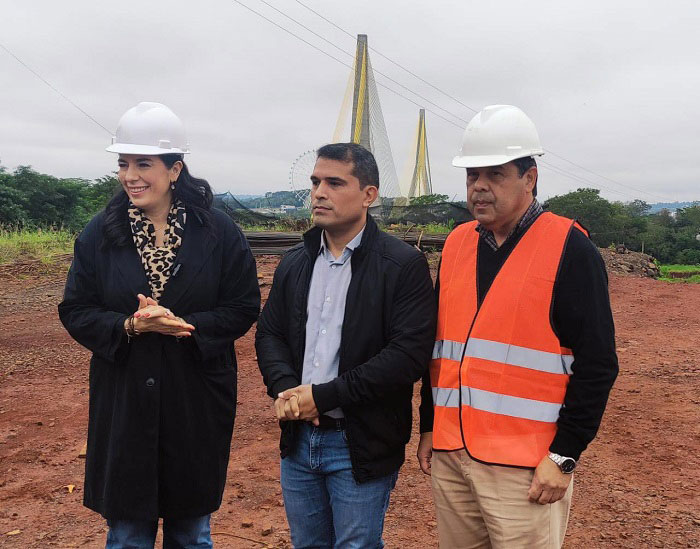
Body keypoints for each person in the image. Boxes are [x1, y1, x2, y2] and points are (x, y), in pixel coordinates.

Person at [58, 102, 260, 548]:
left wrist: (184, 325)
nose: (131, 175)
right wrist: (130, 326)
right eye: (123, 164)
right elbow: (76, 309)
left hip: (195, 397)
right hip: (125, 396)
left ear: (175, 169)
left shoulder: (219, 233)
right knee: (128, 531)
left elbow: (244, 305)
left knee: (190, 531)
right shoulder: (100, 234)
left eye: (144, 163)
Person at [417, 105, 619, 548]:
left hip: (526, 469)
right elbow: (441, 350)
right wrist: (430, 424)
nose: (479, 187)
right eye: (472, 176)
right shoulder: (455, 245)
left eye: (495, 174)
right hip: (453, 456)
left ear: (530, 178)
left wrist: (564, 455)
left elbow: (598, 363)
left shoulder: (569, 248)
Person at [255, 143, 436, 548]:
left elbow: (407, 356)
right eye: (316, 182)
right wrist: (286, 390)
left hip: (360, 442)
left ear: (369, 195)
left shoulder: (401, 266)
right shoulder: (295, 263)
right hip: (299, 439)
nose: (319, 192)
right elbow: (270, 333)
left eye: (335, 183)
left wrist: (325, 396)